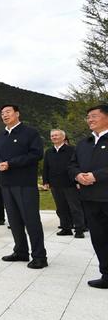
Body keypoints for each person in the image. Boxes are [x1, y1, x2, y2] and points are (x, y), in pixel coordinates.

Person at [0, 104, 47, 269]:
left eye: (8, 112)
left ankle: (39, 256)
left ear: (17, 114)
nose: (4, 115)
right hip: (6, 183)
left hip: (25, 184)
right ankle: (21, 251)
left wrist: (11, 163)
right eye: (2, 113)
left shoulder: (30, 133)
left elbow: (36, 154)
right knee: (14, 221)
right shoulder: (1, 136)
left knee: (31, 221)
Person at [69, 105, 108, 288]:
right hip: (90, 199)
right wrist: (77, 175)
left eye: (94, 116)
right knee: (98, 238)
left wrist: (96, 176)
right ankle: (106, 275)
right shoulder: (84, 143)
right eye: (88, 117)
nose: (89, 120)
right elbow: (72, 165)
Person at [44, 129, 84, 238]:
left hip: (70, 183)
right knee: (61, 208)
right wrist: (45, 181)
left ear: (63, 137)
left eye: (56, 135)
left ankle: (79, 229)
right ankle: (66, 228)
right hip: (55, 184)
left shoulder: (72, 150)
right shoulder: (48, 152)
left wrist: (77, 180)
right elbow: (46, 167)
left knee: (74, 207)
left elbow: (77, 165)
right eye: (52, 136)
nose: (54, 137)